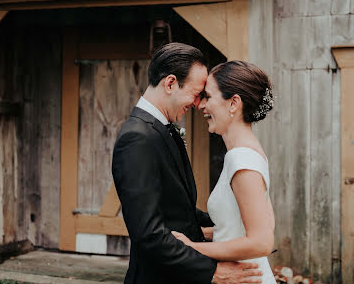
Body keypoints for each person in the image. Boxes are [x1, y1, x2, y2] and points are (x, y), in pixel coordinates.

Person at [111, 43, 263, 284]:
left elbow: (174, 207)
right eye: (195, 94)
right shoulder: (137, 138)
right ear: (170, 83)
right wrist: (212, 272)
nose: (197, 104)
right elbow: (148, 233)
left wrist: (228, 221)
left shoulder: (160, 129)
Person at [172, 60, 276, 284]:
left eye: (208, 96)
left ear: (233, 103)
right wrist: (200, 233)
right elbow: (259, 224)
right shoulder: (249, 153)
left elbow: (262, 241)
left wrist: (192, 248)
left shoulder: (242, 160)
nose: (201, 105)